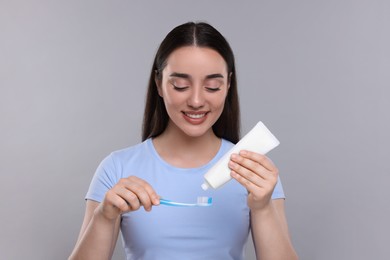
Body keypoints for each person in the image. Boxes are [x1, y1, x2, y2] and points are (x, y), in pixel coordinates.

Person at [69, 21, 298, 260]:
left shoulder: (253, 172)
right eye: (181, 85)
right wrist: (104, 217)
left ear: (228, 85)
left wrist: (261, 208)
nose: (196, 100)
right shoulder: (116, 168)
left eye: (212, 86)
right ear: (158, 83)